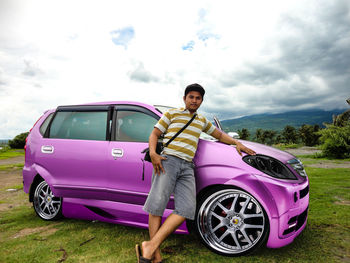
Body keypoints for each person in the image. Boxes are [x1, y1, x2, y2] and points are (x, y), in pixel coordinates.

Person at [135, 83, 256, 263]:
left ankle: (150, 245)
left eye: (198, 98)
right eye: (191, 97)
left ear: (201, 101)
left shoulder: (201, 121)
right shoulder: (171, 114)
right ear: (184, 98)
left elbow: (220, 135)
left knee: (186, 209)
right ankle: (156, 255)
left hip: (188, 167)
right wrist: (153, 154)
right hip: (168, 161)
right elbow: (154, 134)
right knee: (157, 206)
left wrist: (237, 143)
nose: (194, 100)